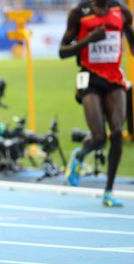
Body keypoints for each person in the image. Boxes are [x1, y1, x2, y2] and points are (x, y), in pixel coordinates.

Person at [59, 0, 134, 207]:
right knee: (99, 137)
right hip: (90, 78)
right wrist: (89, 40)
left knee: (117, 132)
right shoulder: (79, 12)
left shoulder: (121, 10)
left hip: (115, 80)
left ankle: (108, 191)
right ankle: (80, 154)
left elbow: (131, 40)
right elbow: (62, 51)